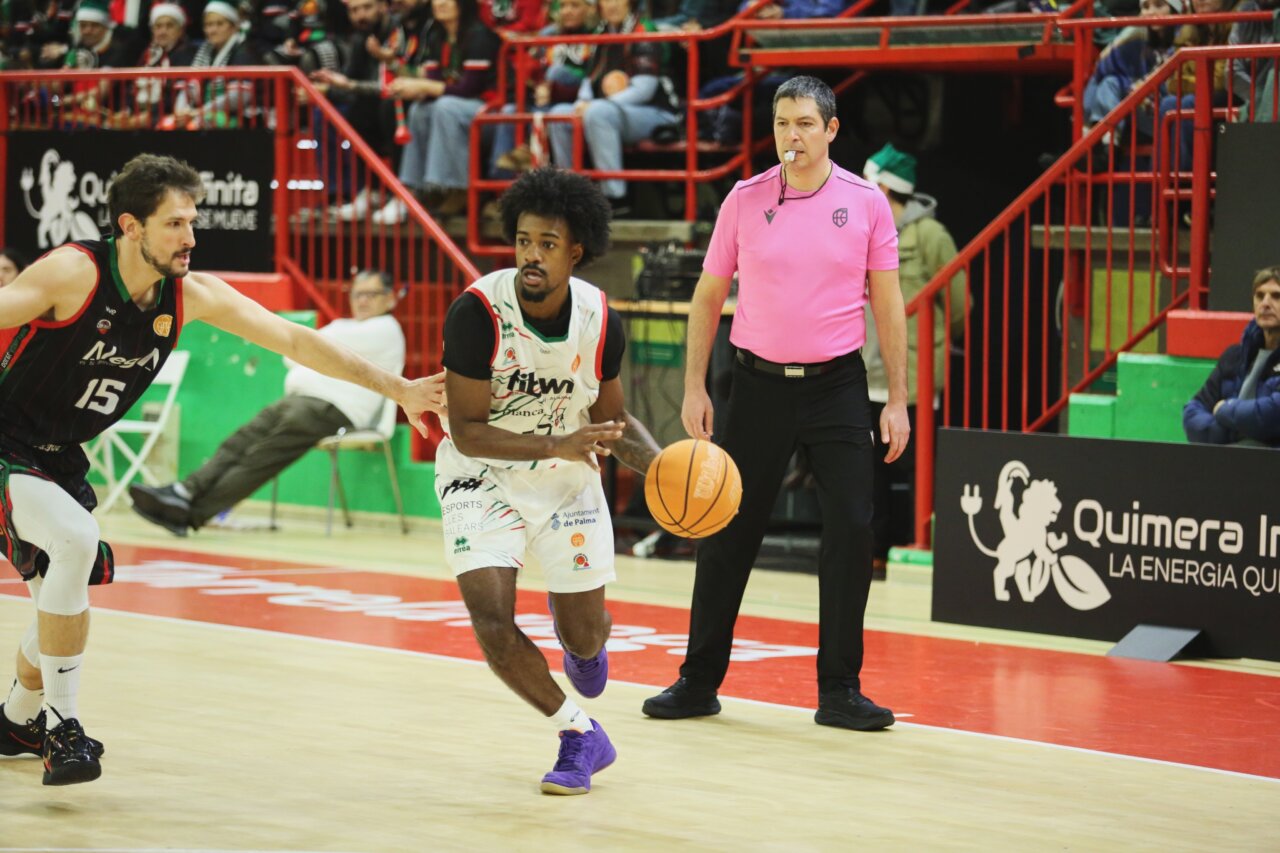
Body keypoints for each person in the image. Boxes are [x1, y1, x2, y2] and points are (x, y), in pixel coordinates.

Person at [0, 154, 442, 787]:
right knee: (76, 541)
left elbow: (295, 341)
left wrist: (397, 387)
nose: (191, 237)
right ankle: (62, 728)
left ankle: (16, 718)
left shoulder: (191, 296)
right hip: (5, 444)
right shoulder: (73, 272)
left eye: (194, 221)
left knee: (57, 611)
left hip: (60, 459)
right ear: (131, 226)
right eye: (176, 223)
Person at [641, 75, 909, 732]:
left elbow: (890, 306)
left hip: (837, 386)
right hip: (756, 384)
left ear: (832, 130)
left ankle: (839, 688)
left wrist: (896, 398)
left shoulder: (867, 203)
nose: (793, 135)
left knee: (850, 527)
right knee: (727, 529)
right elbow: (708, 296)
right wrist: (696, 385)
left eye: (805, 124)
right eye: (783, 123)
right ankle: (697, 679)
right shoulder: (744, 199)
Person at [438, 167, 660, 794]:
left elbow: (612, 419)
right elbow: (468, 430)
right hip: (481, 475)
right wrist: (557, 441)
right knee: (490, 616)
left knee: (583, 634)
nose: (532, 256)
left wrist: (669, 470)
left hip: (566, 480)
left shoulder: (599, 319)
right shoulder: (477, 313)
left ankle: (585, 650)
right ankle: (579, 735)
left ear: (576, 252)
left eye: (548, 245)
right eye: (524, 242)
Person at [128, 269, 406, 536]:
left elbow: (303, 350)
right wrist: (311, 350)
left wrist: (311, 350)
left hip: (336, 409)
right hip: (300, 403)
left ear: (390, 299)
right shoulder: (343, 327)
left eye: (372, 294)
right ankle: (184, 492)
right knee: (240, 441)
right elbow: (294, 352)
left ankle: (191, 513)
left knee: (259, 458)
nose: (363, 300)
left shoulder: (385, 328)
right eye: (358, 293)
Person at [861, 143, 966, 577]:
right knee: (870, 473)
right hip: (866, 371)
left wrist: (935, 344)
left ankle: (920, 544)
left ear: (884, 188)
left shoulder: (931, 236)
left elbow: (958, 303)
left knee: (918, 464)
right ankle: (873, 551)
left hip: (916, 376)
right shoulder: (859, 229)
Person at [546, 0, 680, 215]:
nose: (611, 5)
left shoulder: (644, 30)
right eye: (606, 0)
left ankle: (615, 198)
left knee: (598, 113)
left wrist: (594, 106)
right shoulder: (600, 33)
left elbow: (644, 89)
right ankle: (569, 192)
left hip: (656, 112)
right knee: (560, 114)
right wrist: (581, 103)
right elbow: (589, 82)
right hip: (610, 110)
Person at [1183, 265, 1280, 447]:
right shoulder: (1234, 356)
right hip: (1231, 456)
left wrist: (1224, 411)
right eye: (1259, 296)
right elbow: (1193, 411)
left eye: (1276, 296)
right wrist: (1233, 430)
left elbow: (1273, 415)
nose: (1265, 303)